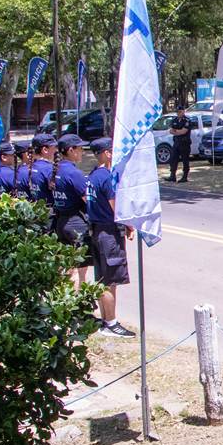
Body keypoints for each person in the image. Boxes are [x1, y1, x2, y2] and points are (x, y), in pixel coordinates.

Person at [87, 137, 136, 338]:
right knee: (110, 280)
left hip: (97, 230)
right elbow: (115, 206)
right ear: (107, 153)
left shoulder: (92, 175)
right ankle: (111, 322)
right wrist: (128, 224)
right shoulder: (106, 177)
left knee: (101, 278)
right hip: (108, 232)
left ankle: (106, 319)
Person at [52, 134, 93, 289]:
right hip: (76, 223)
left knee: (68, 267)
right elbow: (88, 199)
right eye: (80, 149)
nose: (82, 152)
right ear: (71, 150)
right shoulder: (73, 173)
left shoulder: (57, 170)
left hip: (61, 222)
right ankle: (78, 302)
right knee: (79, 271)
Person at [29, 133, 58, 222]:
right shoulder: (48, 168)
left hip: (35, 212)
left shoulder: (31, 166)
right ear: (45, 149)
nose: (56, 150)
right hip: (49, 215)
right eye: (54, 148)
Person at [166, 106, 191, 183]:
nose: (178, 113)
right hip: (176, 143)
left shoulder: (187, 120)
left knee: (185, 160)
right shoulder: (175, 120)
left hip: (184, 143)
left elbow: (184, 131)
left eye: (180, 112)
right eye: (177, 112)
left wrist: (176, 132)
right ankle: (172, 175)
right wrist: (178, 131)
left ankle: (184, 176)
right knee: (173, 159)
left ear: (183, 112)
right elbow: (171, 131)